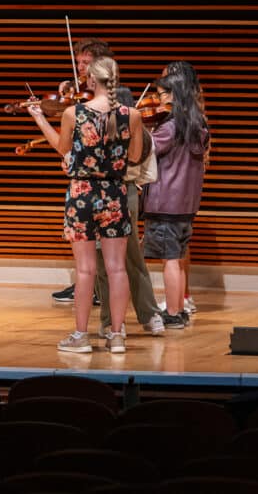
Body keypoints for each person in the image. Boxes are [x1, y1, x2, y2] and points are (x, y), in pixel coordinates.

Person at [28, 56, 143, 353]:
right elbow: (134, 159)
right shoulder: (132, 114)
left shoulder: (73, 113)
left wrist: (40, 118)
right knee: (117, 268)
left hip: (82, 193)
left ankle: (81, 336)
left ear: (91, 80)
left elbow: (62, 148)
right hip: (115, 192)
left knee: (85, 270)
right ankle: (117, 335)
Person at [94, 86, 165, 337]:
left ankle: (109, 323)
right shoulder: (143, 134)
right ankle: (150, 316)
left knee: (105, 260)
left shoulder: (100, 132)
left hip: (102, 193)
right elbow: (150, 175)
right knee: (132, 257)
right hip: (129, 193)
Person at [144, 66, 209, 329]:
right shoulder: (198, 124)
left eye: (161, 95)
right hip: (186, 204)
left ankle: (172, 313)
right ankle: (179, 309)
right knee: (178, 257)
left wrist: (140, 132)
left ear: (174, 95)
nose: (159, 100)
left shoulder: (171, 126)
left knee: (169, 260)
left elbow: (148, 150)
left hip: (166, 203)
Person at [52, 37, 114, 304]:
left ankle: (96, 292)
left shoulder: (117, 100)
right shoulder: (77, 99)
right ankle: (87, 287)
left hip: (99, 185)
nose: (80, 68)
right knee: (92, 248)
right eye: (78, 62)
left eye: (86, 63)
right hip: (92, 182)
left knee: (105, 253)